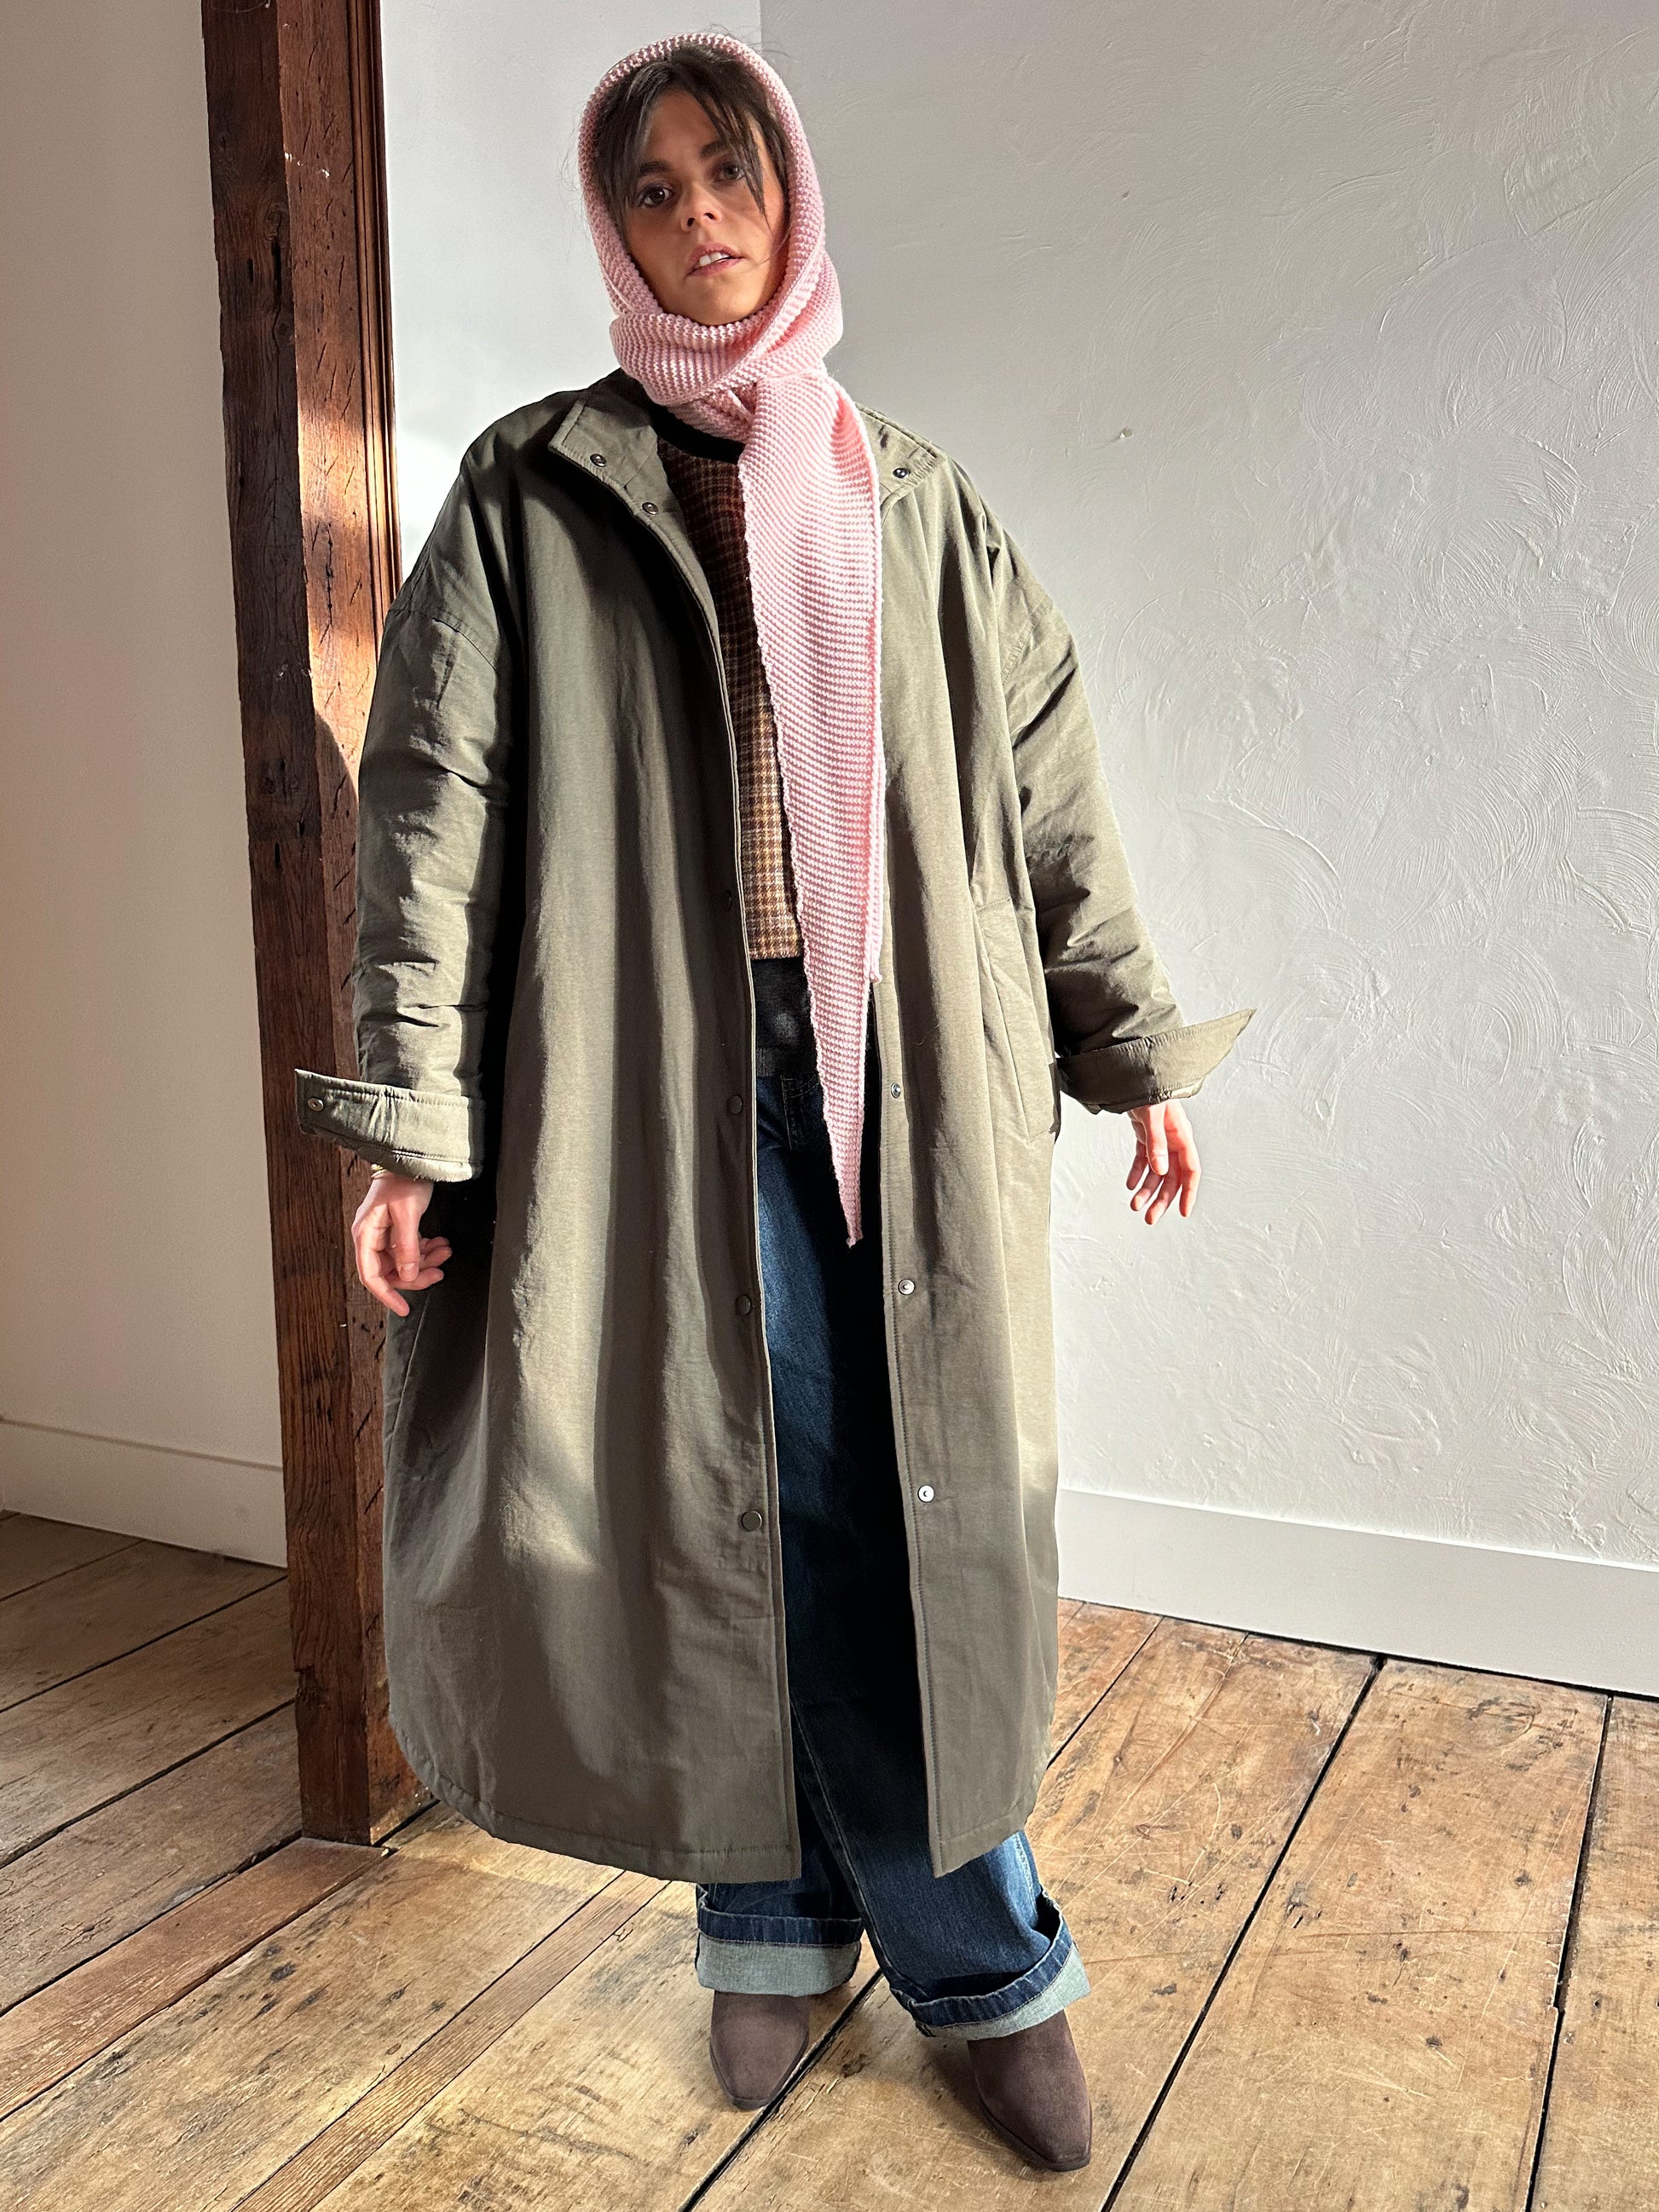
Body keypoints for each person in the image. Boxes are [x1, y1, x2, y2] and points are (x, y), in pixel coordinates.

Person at [294, 29, 1254, 2177]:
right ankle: (926, 1950)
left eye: (728, 172)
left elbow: (1044, 793)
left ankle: (833, 1926)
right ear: (612, 227)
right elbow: (432, 810)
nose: (699, 217)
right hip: (647, 1068)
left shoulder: (914, 499)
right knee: (745, 1489)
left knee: (902, 1496)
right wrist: (409, 1114)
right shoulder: (531, 492)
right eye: (652, 189)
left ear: (788, 191)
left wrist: (1127, 1047)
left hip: (904, 1061)